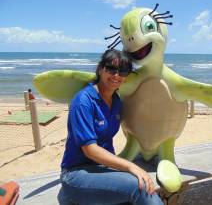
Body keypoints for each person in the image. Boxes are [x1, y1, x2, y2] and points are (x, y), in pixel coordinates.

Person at [59, 49, 163, 205]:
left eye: (123, 71)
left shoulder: (116, 101)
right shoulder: (83, 101)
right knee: (139, 186)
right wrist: (131, 166)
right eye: (111, 69)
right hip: (76, 174)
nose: (116, 76)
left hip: (102, 169)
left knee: (140, 185)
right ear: (101, 69)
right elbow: (90, 150)